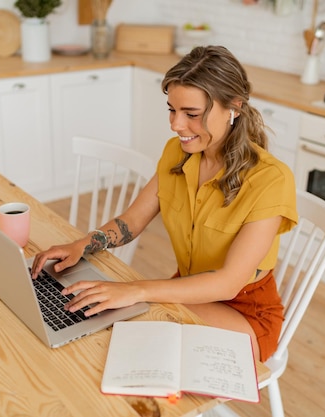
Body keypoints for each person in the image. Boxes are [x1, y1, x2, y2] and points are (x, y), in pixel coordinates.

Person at [32, 45, 298, 362]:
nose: (176, 125)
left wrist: (138, 289)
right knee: (109, 329)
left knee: (134, 335)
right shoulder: (177, 152)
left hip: (245, 313)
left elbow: (228, 283)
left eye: (192, 114)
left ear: (234, 108)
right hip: (185, 289)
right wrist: (84, 244)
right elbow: (131, 222)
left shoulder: (271, 180)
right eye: (172, 109)